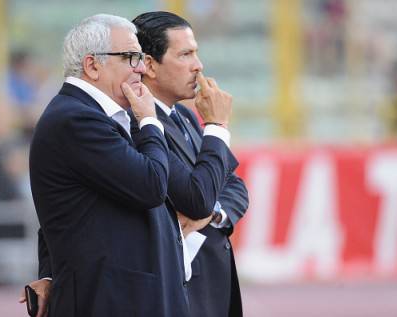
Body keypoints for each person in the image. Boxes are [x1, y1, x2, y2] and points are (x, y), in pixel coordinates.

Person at [21, 13, 239, 317]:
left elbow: (231, 183)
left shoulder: (108, 114)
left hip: (142, 295)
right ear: (92, 65)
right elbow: (152, 186)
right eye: (130, 57)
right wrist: (150, 121)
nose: (139, 66)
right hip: (115, 300)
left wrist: (214, 213)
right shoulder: (78, 118)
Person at [132, 11, 248, 317]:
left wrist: (215, 213)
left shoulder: (183, 115)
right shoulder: (140, 125)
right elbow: (197, 197)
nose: (199, 65)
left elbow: (234, 185)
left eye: (195, 52)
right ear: (149, 65)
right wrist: (218, 125)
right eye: (185, 54)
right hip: (181, 293)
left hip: (212, 287)